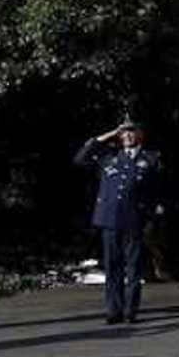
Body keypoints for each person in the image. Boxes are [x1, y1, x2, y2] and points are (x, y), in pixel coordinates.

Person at [74, 121, 164, 324]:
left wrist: (152, 217)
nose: (128, 136)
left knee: (133, 269)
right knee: (112, 267)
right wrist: (108, 134)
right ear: (119, 136)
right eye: (124, 133)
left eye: (132, 132)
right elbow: (81, 157)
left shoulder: (151, 159)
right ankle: (114, 310)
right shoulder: (109, 157)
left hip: (135, 220)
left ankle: (130, 311)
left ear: (140, 134)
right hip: (110, 219)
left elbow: (158, 191)